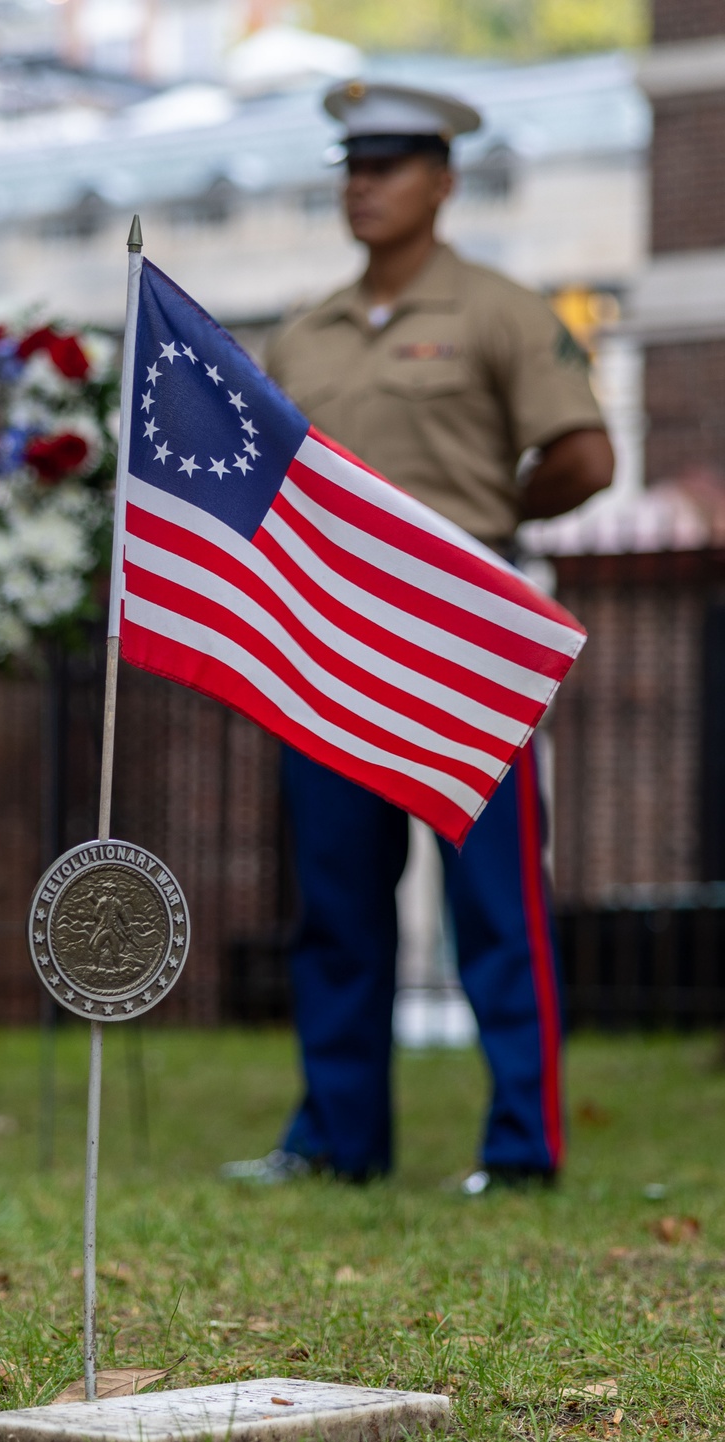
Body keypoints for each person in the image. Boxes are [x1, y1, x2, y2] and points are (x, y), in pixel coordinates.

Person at [221, 81, 615, 1192]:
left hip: (461, 637)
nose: (363, 185)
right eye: (351, 165)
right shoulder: (301, 334)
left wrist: (483, 531)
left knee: (496, 904)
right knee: (336, 903)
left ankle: (521, 1151)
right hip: (331, 646)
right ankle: (340, 1143)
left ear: (441, 181)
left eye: (387, 166)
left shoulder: (499, 310)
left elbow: (586, 458)